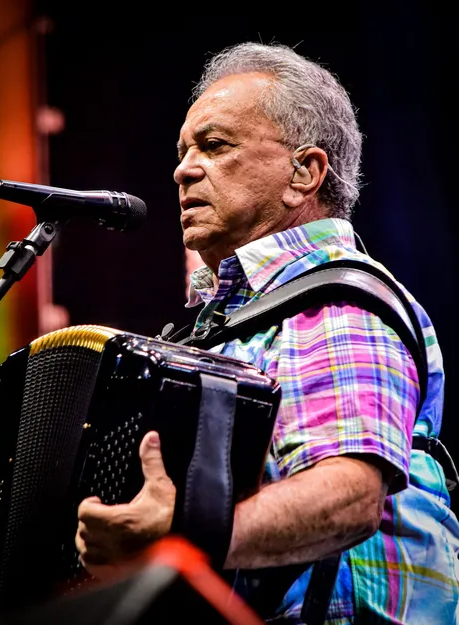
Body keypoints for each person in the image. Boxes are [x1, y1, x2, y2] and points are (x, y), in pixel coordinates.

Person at [75, 42, 459, 623]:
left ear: (304, 173)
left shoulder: (333, 298)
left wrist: (181, 539)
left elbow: (351, 496)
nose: (183, 169)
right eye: (182, 151)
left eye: (215, 145)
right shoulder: (220, 324)